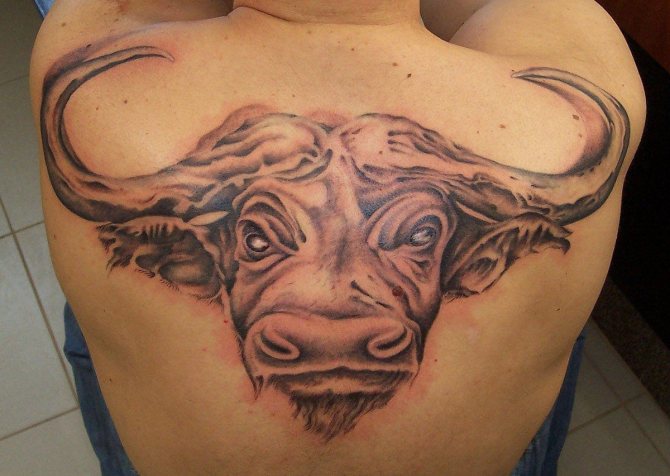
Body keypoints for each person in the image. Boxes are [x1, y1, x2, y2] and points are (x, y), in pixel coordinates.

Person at [30, 1, 645, 474]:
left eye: (418, 233)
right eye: (261, 241)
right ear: (185, 262)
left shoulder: (89, 68)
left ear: (477, 260)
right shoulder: (577, 87)